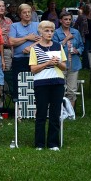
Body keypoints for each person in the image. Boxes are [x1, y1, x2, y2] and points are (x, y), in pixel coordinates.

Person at [29, 21, 67, 151]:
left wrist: (57, 63)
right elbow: (33, 69)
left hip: (57, 82)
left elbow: (64, 67)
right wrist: (48, 63)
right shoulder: (35, 48)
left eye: (51, 31)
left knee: (55, 114)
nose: (49, 33)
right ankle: (39, 144)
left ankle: (53, 143)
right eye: (46, 30)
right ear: (40, 32)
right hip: (41, 83)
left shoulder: (58, 46)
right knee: (41, 114)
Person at [53, 11, 84, 108]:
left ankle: (71, 113)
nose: (68, 21)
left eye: (70, 19)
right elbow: (54, 47)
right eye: (65, 19)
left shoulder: (76, 32)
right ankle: (60, 111)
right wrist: (66, 39)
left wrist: (77, 50)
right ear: (61, 20)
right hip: (60, 64)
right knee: (59, 89)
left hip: (74, 64)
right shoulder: (56, 32)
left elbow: (81, 46)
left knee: (72, 90)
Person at [9, 4, 40, 100]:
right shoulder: (14, 26)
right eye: (24, 12)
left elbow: (42, 40)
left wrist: (30, 47)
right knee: (19, 83)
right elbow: (11, 42)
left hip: (35, 59)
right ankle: (19, 109)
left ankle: (33, 107)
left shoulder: (37, 25)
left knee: (34, 83)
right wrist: (28, 37)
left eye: (29, 12)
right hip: (19, 58)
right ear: (20, 14)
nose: (27, 14)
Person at [74, 4, 91, 69]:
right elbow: (76, 25)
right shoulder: (81, 16)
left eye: (90, 7)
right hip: (85, 36)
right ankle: (85, 65)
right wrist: (76, 33)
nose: (90, 9)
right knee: (86, 51)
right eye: (88, 8)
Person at [0, 0, 13, 71]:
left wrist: (12, 51)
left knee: (7, 73)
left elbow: (12, 37)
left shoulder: (9, 20)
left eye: (3, 6)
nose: (2, 8)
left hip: (7, 50)